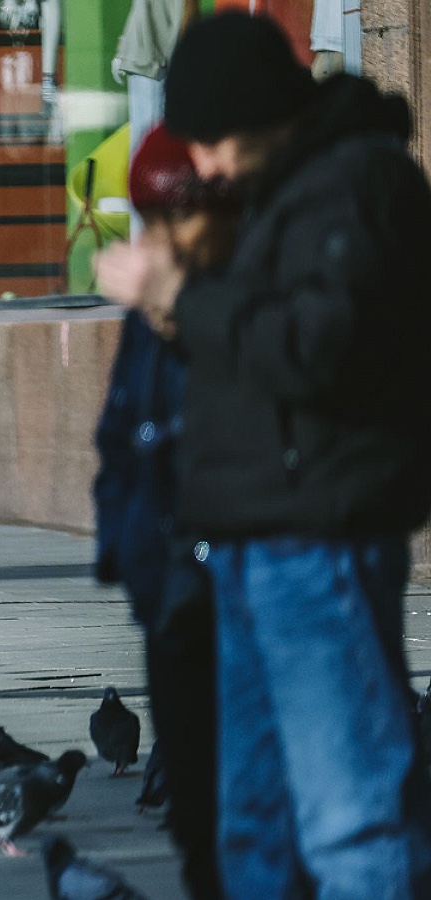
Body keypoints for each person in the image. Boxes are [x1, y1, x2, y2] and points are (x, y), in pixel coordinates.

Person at [96, 13, 431, 897]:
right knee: (252, 825)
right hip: (248, 540)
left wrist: (178, 295)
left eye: (212, 140)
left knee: (349, 811)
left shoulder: (353, 183)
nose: (201, 165)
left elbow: (314, 348)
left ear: (257, 114)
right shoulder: (279, 192)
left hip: (318, 538)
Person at [93, 125, 235, 900]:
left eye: (169, 217)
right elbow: (120, 430)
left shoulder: (235, 291)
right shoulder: (150, 305)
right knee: (192, 809)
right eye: (147, 218)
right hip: (169, 588)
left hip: (238, 586)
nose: (158, 238)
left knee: (244, 807)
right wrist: (126, 549)